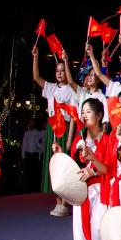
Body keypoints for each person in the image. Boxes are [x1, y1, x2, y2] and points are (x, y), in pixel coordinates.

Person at [55, 98, 116, 240]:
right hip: (81, 189)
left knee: (97, 232)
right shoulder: (78, 140)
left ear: (99, 115)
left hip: (99, 189)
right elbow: (74, 166)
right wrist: (60, 155)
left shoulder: (107, 140)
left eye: (88, 111)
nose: (84, 115)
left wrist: (93, 171)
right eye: (83, 112)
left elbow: (109, 169)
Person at [33, 42, 77, 215]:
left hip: (64, 129)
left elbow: (73, 117)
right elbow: (36, 78)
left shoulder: (72, 91)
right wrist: (35, 57)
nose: (59, 73)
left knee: (64, 164)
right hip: (52, 128)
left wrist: (69, 139)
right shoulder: (51, 88)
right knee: (53, 165)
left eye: (62, 70)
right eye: (57, 71)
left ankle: (65, 203)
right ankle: (58, 202)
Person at [21, 116, 44, 192]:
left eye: (33, 122)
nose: (32, 124)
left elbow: (40, 144)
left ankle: (34, 188)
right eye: (30, 122)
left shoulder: (37, 133)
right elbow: (24, 144)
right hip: (28, 155)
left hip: (35, 155)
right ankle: (27, 188)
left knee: (34, 172)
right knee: (27, 172)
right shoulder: (26, 133)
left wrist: (40, 155)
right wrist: (23, 156)